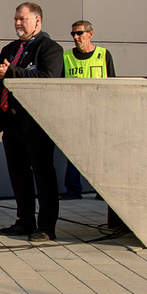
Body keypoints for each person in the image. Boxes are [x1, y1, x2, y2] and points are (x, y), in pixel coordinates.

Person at [0, 2, 65, 242]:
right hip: (11, 123)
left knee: (43, 176)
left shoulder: (50, 48)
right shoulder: (11, 48)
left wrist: (10, 72)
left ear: (37, 20)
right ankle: (24, 221)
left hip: (36, 124)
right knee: (18, 176)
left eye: (22, 19)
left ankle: (46, 227)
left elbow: (47, 77)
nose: (17, 23)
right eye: (15, 19)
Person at [61, 20, 115, 199]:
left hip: (99, 112)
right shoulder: (66, 57)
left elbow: (112, 83)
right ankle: (73, 190)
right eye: (73, 34)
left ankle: (102, 191)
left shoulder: (103, 55)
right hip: (75, 112)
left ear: (90, 34)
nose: (76, 37)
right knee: (74, 152)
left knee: (100, 153)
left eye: (80, 33)